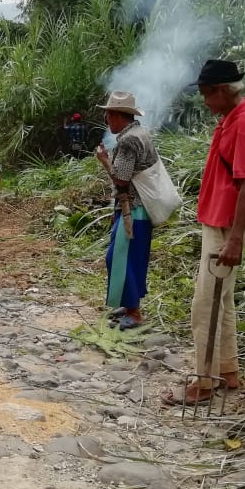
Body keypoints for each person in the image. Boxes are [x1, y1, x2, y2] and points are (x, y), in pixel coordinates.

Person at [162, 59, 245, 406]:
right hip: (224, 221)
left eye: (207, 94)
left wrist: (237, 235)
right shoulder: (232, 120)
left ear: (223, 91)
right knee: (223, 300)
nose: (205, 101)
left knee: (205, 303)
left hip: (225, 226)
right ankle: (229, 371)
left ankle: (204, 381)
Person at [94, 92, 159, 330]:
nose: (106, 118)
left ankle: (134, 312)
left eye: (108, 114)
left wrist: (104, 160)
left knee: (122, 258)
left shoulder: (128, 140)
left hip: (135, 209)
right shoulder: (138, 134)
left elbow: (121, 179)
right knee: (128, 257)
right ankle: (128, 304)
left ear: (116, 115)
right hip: (137, 208)